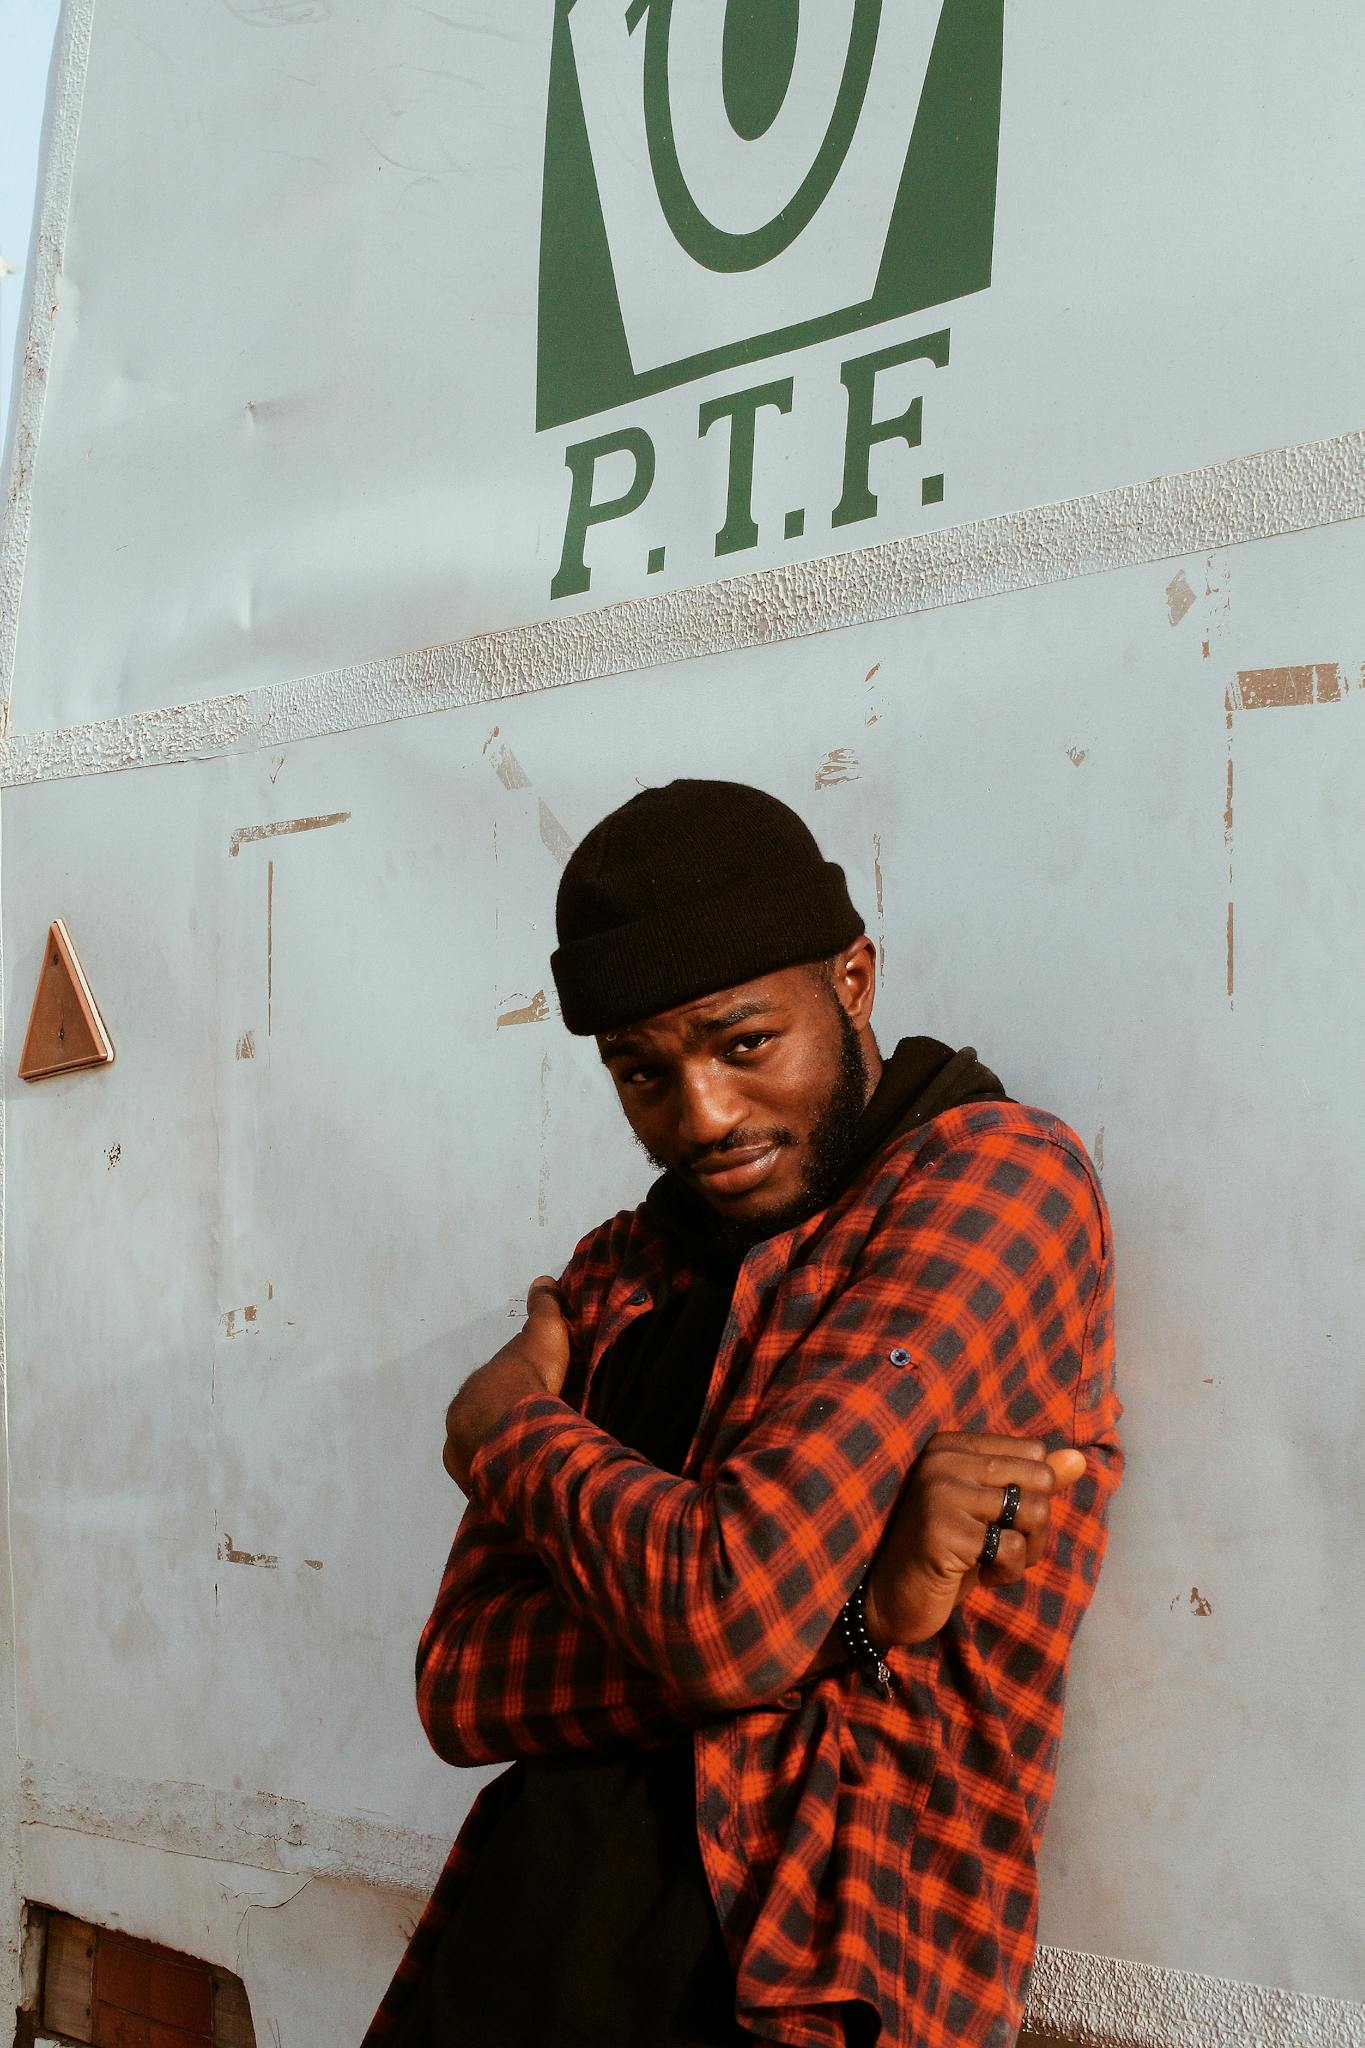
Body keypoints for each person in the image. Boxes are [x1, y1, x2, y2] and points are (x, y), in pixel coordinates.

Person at [363, 779, 1122, 2048]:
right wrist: (858, 1616)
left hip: (804, 1988)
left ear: (854, 980)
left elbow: (731, 1613)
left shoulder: (993, 1180)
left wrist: (508, 1434)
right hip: (507, 1968)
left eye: (744, 1043)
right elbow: (459, 1679)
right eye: (643, 1072)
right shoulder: (621, 1270)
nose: (702, 1115)